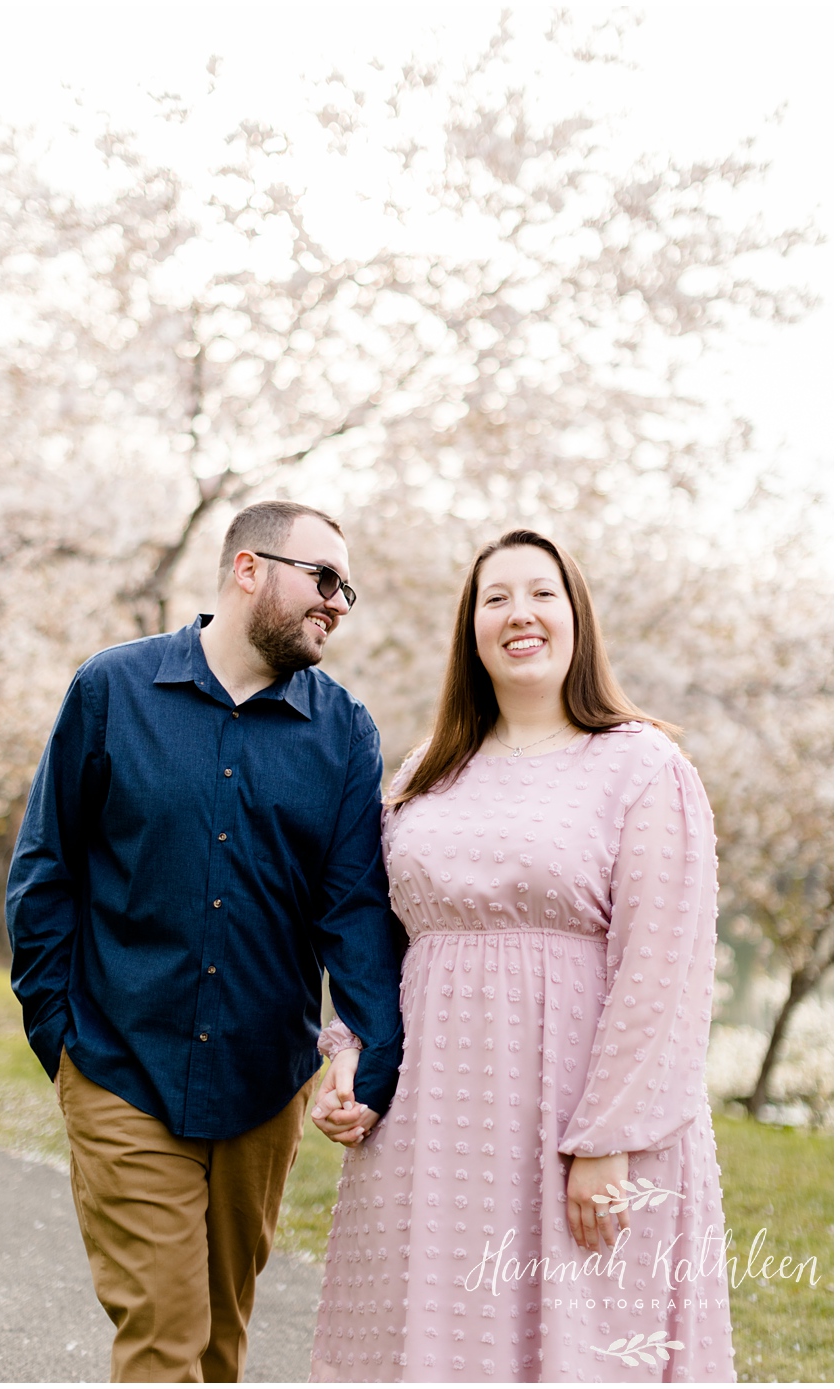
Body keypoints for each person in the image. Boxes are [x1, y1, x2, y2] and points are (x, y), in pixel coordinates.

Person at [308, 529, 736, 1381]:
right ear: (471, 628)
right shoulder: (426, 771)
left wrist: (607, 1140)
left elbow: (663, 972)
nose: (519, 614)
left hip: (573, 1120)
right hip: (432, 1126)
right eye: (495, 597)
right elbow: (377, 939)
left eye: (542, 593)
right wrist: (350, 1058)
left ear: (578, 617)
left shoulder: (643, 766)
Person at [7, 499, 407, 1382]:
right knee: (164, 1343)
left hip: (262, 1092)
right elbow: (46, 876)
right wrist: (63, 1042)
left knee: (220, 1351)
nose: (340, 602)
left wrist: (371, 1057)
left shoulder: (344, 734)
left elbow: (354, 912)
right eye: (324, 577)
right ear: (248, 568)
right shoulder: (112, 689)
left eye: (350, 588)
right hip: (119, 1069)